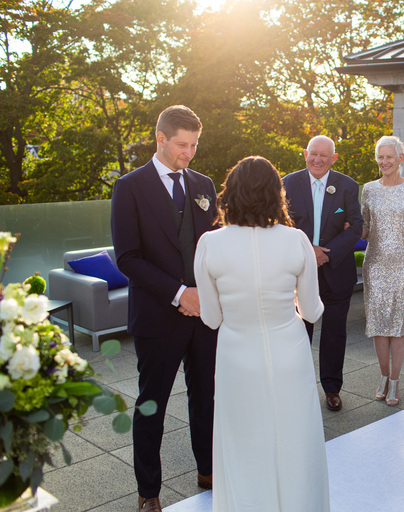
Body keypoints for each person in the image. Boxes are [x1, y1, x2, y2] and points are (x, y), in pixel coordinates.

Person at [194, 156, 329, 512]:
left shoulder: (209, 243)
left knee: (242, 446)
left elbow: (210, 318)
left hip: (237, 356)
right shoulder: (296, 240)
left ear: (231, 194)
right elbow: (313, 311)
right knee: (296, 442)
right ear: (276, 194)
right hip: (289, 353)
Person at [111, 105, 218, 512]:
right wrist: (178, 293)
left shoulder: (204, 183)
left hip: (205, 314)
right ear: (160, 139)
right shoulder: (130, 187)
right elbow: (128, 257)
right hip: (158, 315)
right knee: (151, 401)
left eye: (193, 145)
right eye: (181, 145)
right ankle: (149, 490)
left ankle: (207, 469)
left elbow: (214, 244)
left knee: (206, 396)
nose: (188, 153)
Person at [283, 135, 363, 411]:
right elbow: (282, 225)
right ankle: (298, 388)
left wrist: (324, 252)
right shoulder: (288, 183)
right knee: (298, 332)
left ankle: (332, 388)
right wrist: (308, 251)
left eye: (324, 156)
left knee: (334, 334)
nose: (317, 160)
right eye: (313, 154)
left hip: (336, 271)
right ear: (305, 153)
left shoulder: (347, 186)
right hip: (297, 272)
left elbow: (356, 227)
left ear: (334, 158)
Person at [361, 136, 404, 406]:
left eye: (390, 156)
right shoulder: (368, 189)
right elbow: (365, 229)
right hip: (375, 265)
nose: (384, 161)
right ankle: (382, 376)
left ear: (401, 158)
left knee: (399, 327)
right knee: (378, 326)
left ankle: (396, 382)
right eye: (380, 156)